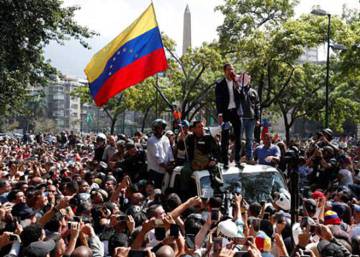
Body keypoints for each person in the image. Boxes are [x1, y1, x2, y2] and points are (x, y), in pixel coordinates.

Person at [215, 63, 242, 168]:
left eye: (232, 69)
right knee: (225, 137)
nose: (231, 71)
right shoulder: (220, 83)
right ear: (224, 71)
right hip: (225, 113)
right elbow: (218, 100)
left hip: (236, 112)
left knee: (238, 136)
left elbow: (242, 97)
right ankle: (225, 161)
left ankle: (238, 160)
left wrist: (238, 86)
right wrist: (220, 114)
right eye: (229, 69)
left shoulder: (237, 82)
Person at [238, 72, 260, 162]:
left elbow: (257, 105)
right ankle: (237, 157)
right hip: (240, 118)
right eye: (245, 78)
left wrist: (257, 118)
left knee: (250, 139)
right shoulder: (238, 89)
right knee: (238, 138)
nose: (247, 80)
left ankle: (249, 158)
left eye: (248, 78)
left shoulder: (254, 92)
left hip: (251, 119)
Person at [146, 119, 175, 188]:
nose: (162, 130)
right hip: (155, 171)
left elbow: (169, 152)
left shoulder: (165, 138)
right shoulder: (151, 141)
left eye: (163, 128)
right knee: (156, 191)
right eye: (159, 128)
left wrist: (172, 162)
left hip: (165, 170)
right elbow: (157, 157)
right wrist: (167, 167)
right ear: (155, 129)